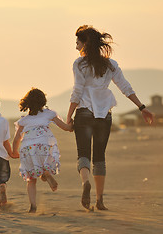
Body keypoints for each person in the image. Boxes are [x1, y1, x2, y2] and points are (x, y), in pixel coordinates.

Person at [66, 25, 154, 211]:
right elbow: (125, 87)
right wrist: (142, 107)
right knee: (99, 157)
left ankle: (85, 183)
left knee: (83, 153)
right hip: (103, 114)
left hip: (84, 112)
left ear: (84, 43)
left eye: (77, 42)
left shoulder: (79, 64)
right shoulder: (111, 65)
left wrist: (69, 114)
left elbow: (78, 90)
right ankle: (99, 200)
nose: (75, 46)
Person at [12, 88, 72, 213]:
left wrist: (14, 151)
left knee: (31, 179)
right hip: (43, 145)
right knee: (44, 164)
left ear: (27, 103)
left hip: (27, 148)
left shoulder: (24, 120)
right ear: (43, 101)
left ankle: (33, 206)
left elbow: (17, 138)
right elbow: (65, 127)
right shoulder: (49, 114)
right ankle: (46, 173)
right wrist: (72, 126)